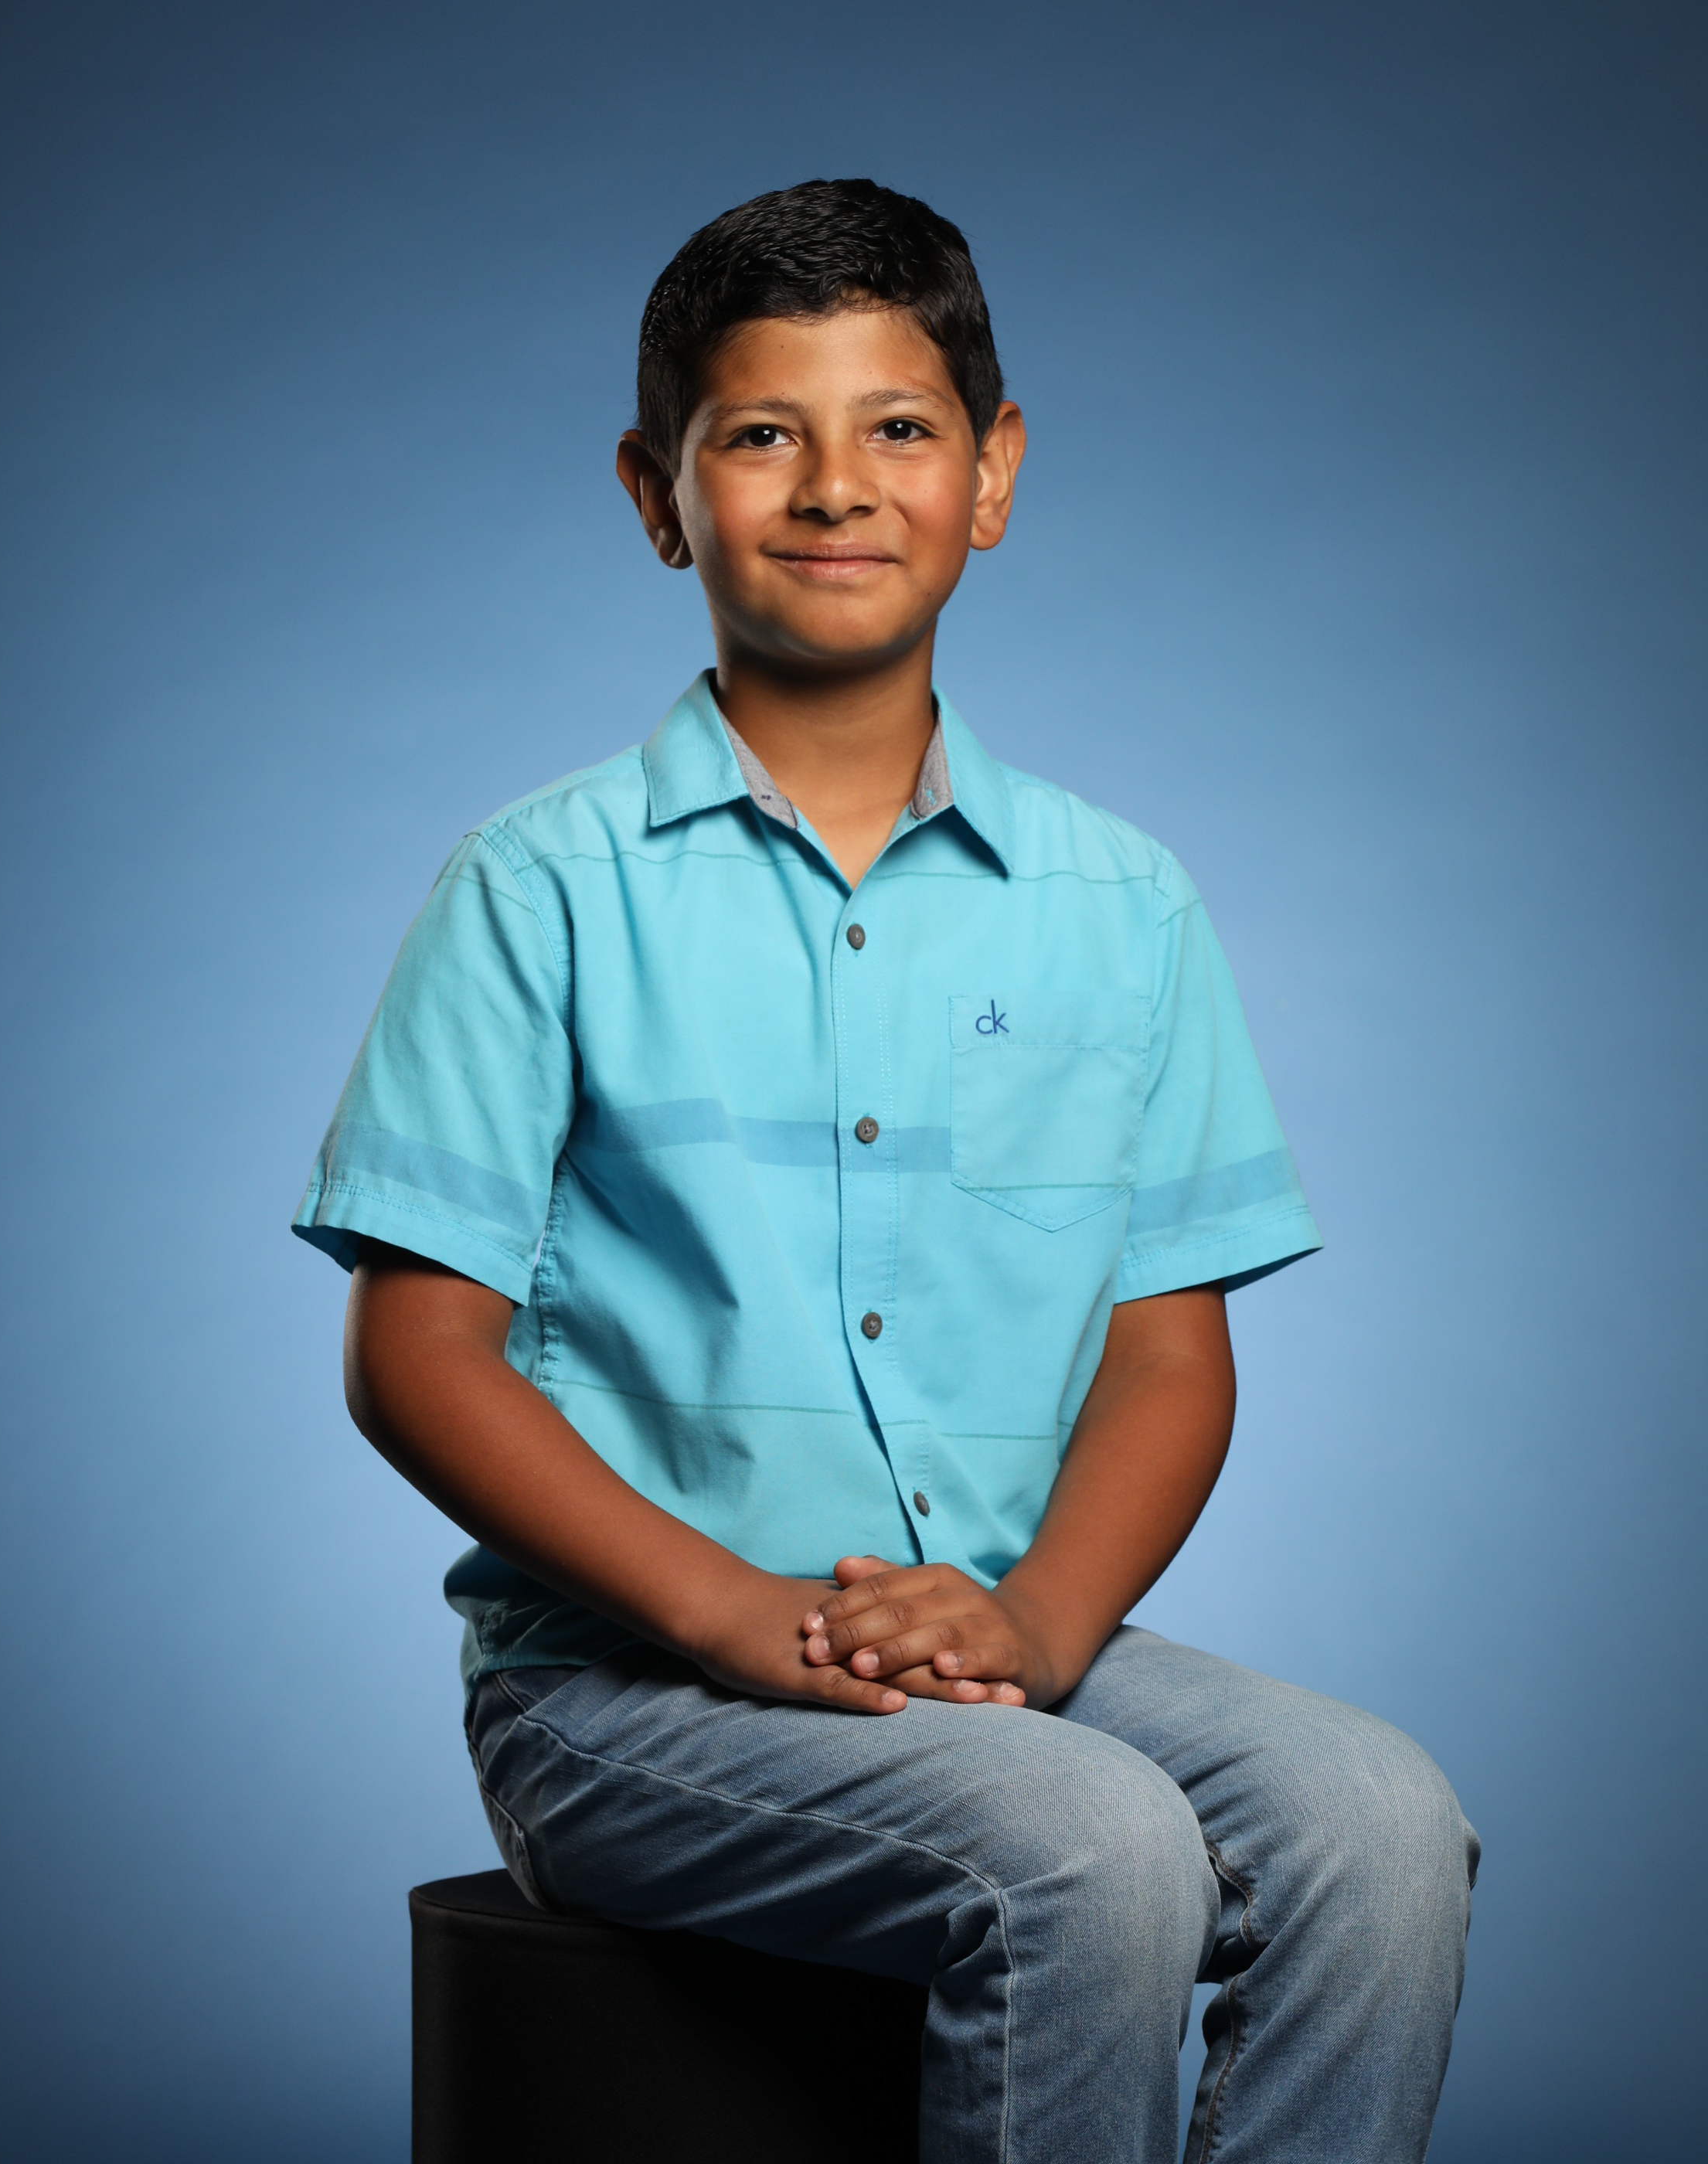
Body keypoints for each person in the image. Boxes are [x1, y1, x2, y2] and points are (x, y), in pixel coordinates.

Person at [293, 178, 1476, 2164]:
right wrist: (725, 1610)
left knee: (1380, 1821)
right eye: (763, 432)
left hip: (1004, 1648)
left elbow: (1167, 1350)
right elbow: (414, 1354)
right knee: (1095, 1848)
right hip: (628, 1687)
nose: (836, 484)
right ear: (657, 494)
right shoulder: (536, 888)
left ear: (990, 473)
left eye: (898, 427)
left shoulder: (1121, 902)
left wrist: (1038, 1625)